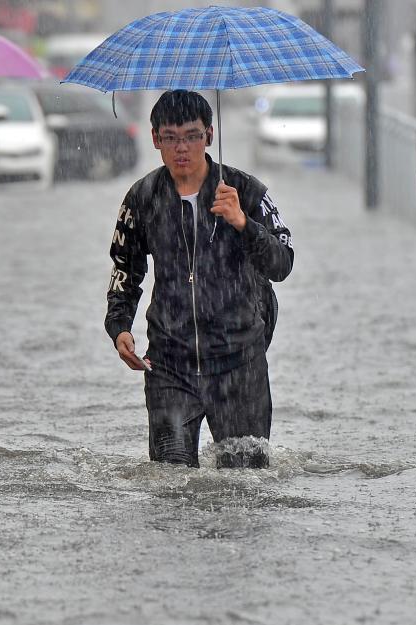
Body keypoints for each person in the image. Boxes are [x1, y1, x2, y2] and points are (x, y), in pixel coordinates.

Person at [105, 90, 294, 469]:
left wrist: (243, 224)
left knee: (246, 489)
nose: (181, 149)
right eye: (171, 137)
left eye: (191, 136)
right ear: (155, 138)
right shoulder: (142, 198)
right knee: (171, 487)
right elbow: (125, 268)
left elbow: (282, 263)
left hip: (239, 364)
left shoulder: (246, 192)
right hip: (169, 365)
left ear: (209, 134)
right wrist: (119, 326)